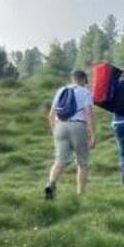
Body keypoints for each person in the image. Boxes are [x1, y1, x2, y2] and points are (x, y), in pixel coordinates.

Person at [45, 70, 95, 198]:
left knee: (60, 160)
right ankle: (80, 194)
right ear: (84, 80)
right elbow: (88, 113)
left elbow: (51, 114)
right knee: (82, 162)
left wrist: (54, 131)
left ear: (72, 79)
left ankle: (51, 184)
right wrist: (92, 133)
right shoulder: (85, 91)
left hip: (60, 126)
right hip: (78, 126)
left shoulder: (61, 90)